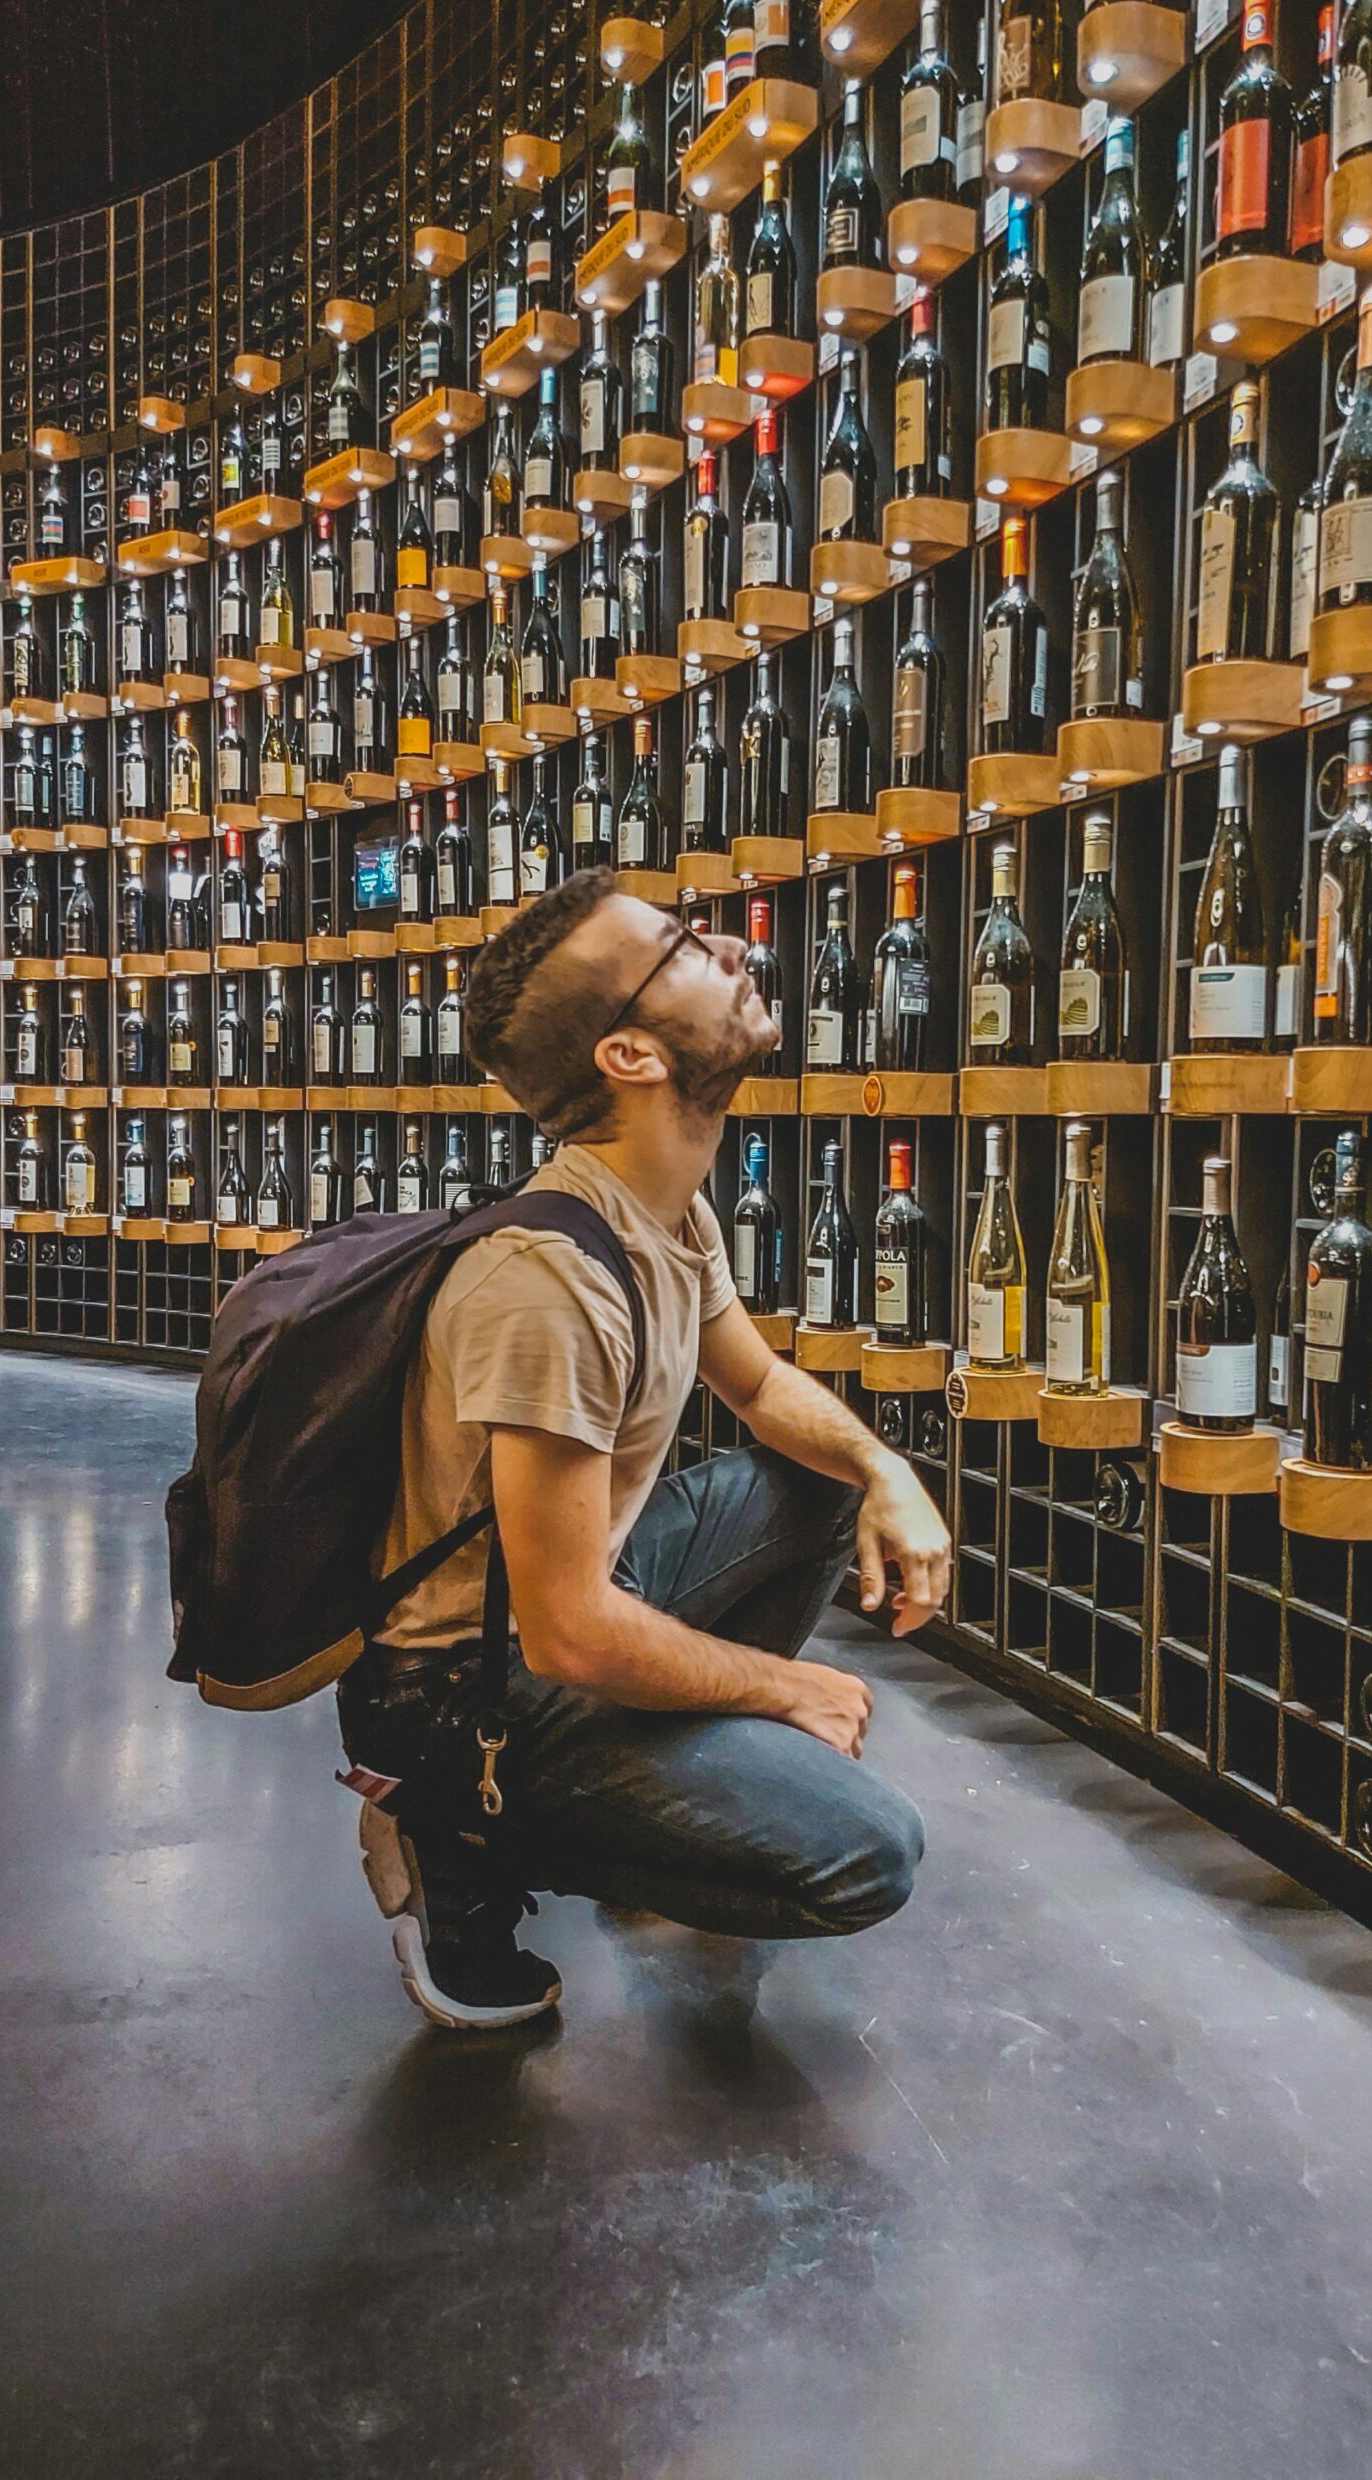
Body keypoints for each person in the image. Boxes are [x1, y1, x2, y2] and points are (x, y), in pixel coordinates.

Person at [343, 864, 951, 2028]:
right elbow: (567, 1633)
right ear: (629, 1056)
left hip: (567, 1602)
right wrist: (784, 1688)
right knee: (870, 1853)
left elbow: (763, 1387)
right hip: (466, 1683)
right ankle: (455, 1829)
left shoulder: (665, 1209)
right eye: (681, 947)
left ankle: (667, 1800)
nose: (725, 948)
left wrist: (885, 1471)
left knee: (814, 1481)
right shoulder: (548, 1284)